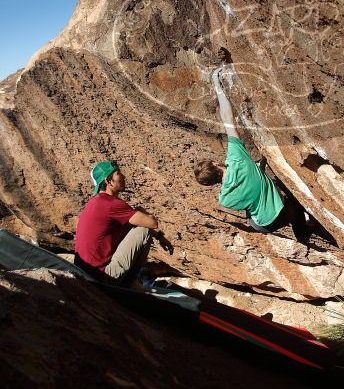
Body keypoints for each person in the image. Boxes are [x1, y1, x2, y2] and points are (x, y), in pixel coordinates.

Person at [194, 68, 309, 238]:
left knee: (250, 213)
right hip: (286, 212)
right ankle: (304, 232)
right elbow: (228, 118)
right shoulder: (237, 158)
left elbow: (244, 191)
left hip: (265, 225)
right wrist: (217, 84)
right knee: (295, 206)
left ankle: (303, 239)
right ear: (215, 164)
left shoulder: (225, 200)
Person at [74, 160, 173, 286]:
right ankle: (132, 282)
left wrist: (159, 236)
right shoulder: (111, 204)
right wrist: (141, 210)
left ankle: (132, 280)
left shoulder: (95, 202)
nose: (124, 176)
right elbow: (152, 223)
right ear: (108, 181)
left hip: (86, 274)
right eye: (118, 174)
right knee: (143, 231)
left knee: (134, 224)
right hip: (101, 278)